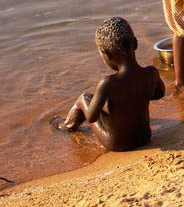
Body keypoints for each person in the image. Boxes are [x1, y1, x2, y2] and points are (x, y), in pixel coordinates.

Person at [53, 17, 165, 151]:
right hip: (144, 138)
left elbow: (91, 117)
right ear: (135, 44)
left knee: (84, 98)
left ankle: (67, 126)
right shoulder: (151, 73)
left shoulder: (108, 82)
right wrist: (136, 98)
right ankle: (68, 124)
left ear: (106, 54)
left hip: (116, 143)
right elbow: (159, 94)